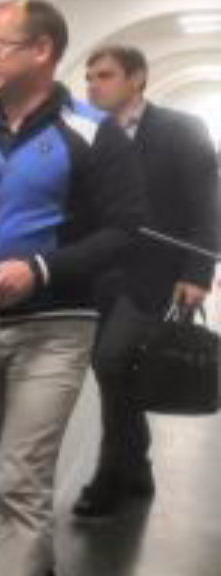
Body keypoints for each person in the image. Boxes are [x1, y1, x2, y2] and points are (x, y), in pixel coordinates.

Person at [0, 0, 144, 576]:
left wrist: (39, 270)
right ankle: (31, 558)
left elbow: (124, 231)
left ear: (42, 50)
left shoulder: (94, 135)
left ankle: (8, 575)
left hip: (57, 328)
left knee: (22, 474)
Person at [74, 44, 218, 517]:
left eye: (105, 75)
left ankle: (111, 476)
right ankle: (135, 469)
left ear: (137, 78)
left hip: (159, 275)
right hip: (103, 274)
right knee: (114, 369)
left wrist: (199, 272)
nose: (93, 85)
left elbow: (207, 206)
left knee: (110, 361)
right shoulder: (91, 134)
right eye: (89, 77)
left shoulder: (180, 130)